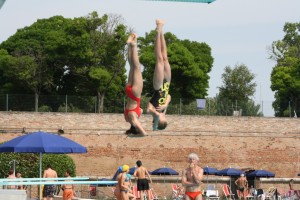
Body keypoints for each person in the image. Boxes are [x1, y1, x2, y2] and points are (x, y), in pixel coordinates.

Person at [147, 19, 171, 131]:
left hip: (158, 86)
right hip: (167, 84)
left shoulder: (153, 112)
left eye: (162, 117)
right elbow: (169, 96)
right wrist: (166, 104)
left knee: (160, 60)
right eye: (164, 116)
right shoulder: (164, 109)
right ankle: (161, 31)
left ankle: (157, 32)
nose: (163, 114)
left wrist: (155, 113)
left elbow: (148, 108)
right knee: (165, 58)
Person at [124, 33, 147, 136]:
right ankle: (130, 43)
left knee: (137, 67)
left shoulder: (133, 117)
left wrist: (140, 134)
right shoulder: (127, 118)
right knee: (132, 66)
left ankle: (133, 44)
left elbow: (143, 133)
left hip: (135, 94)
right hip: (128, 92)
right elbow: (140, 110)